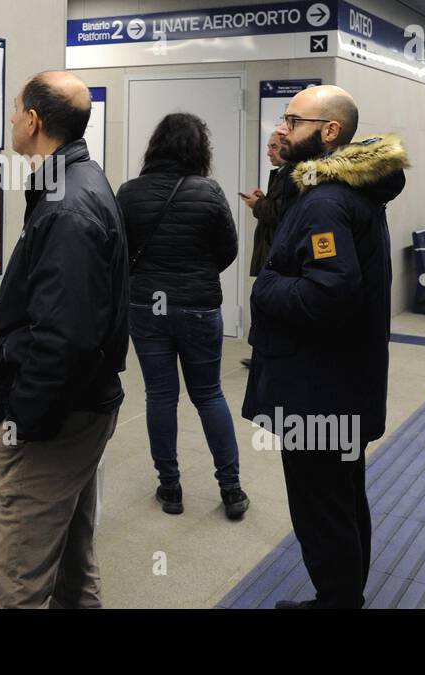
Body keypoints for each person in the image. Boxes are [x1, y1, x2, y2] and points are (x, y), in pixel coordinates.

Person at [241, 85, 408, 609]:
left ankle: (337, 601)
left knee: (321, 505)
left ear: (328, 132)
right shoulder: (339, 192)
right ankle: (343, 597)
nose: (281, 130)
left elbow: (327, 294)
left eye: (292, 121)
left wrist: (264, 286)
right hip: (339, 385)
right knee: (341, 497)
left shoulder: (327, 203)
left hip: (319, 392)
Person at [0, 70, 130, 608]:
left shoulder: (68, 206)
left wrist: (23, 419)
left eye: (16, 108)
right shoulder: (76, 181)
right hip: (79, 409)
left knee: (20, 576)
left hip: (55, 421)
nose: (12, 118)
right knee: (71, 560)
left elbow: (63, 338)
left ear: (35, 120)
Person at [117, 113, 249, 520]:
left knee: (160, 396)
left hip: (146, 307)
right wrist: (196, 272)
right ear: (199, 150)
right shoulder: (209, 192)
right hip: (198, 306)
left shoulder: (129, 192)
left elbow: (119, 251)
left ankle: (170, 488)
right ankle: (231, 490)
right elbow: (228, 250)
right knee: (208, 394)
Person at [239, 131, 297, 368]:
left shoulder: (292, 176)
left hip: (277, 253)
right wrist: (264, 200)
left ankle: (266, 357)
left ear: (286, 147)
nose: (268, 152)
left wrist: (257, 205)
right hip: (270, 251)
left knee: (268, 306)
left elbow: (280, 215)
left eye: (273, 147)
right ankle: (261, 355)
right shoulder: (282, 175)